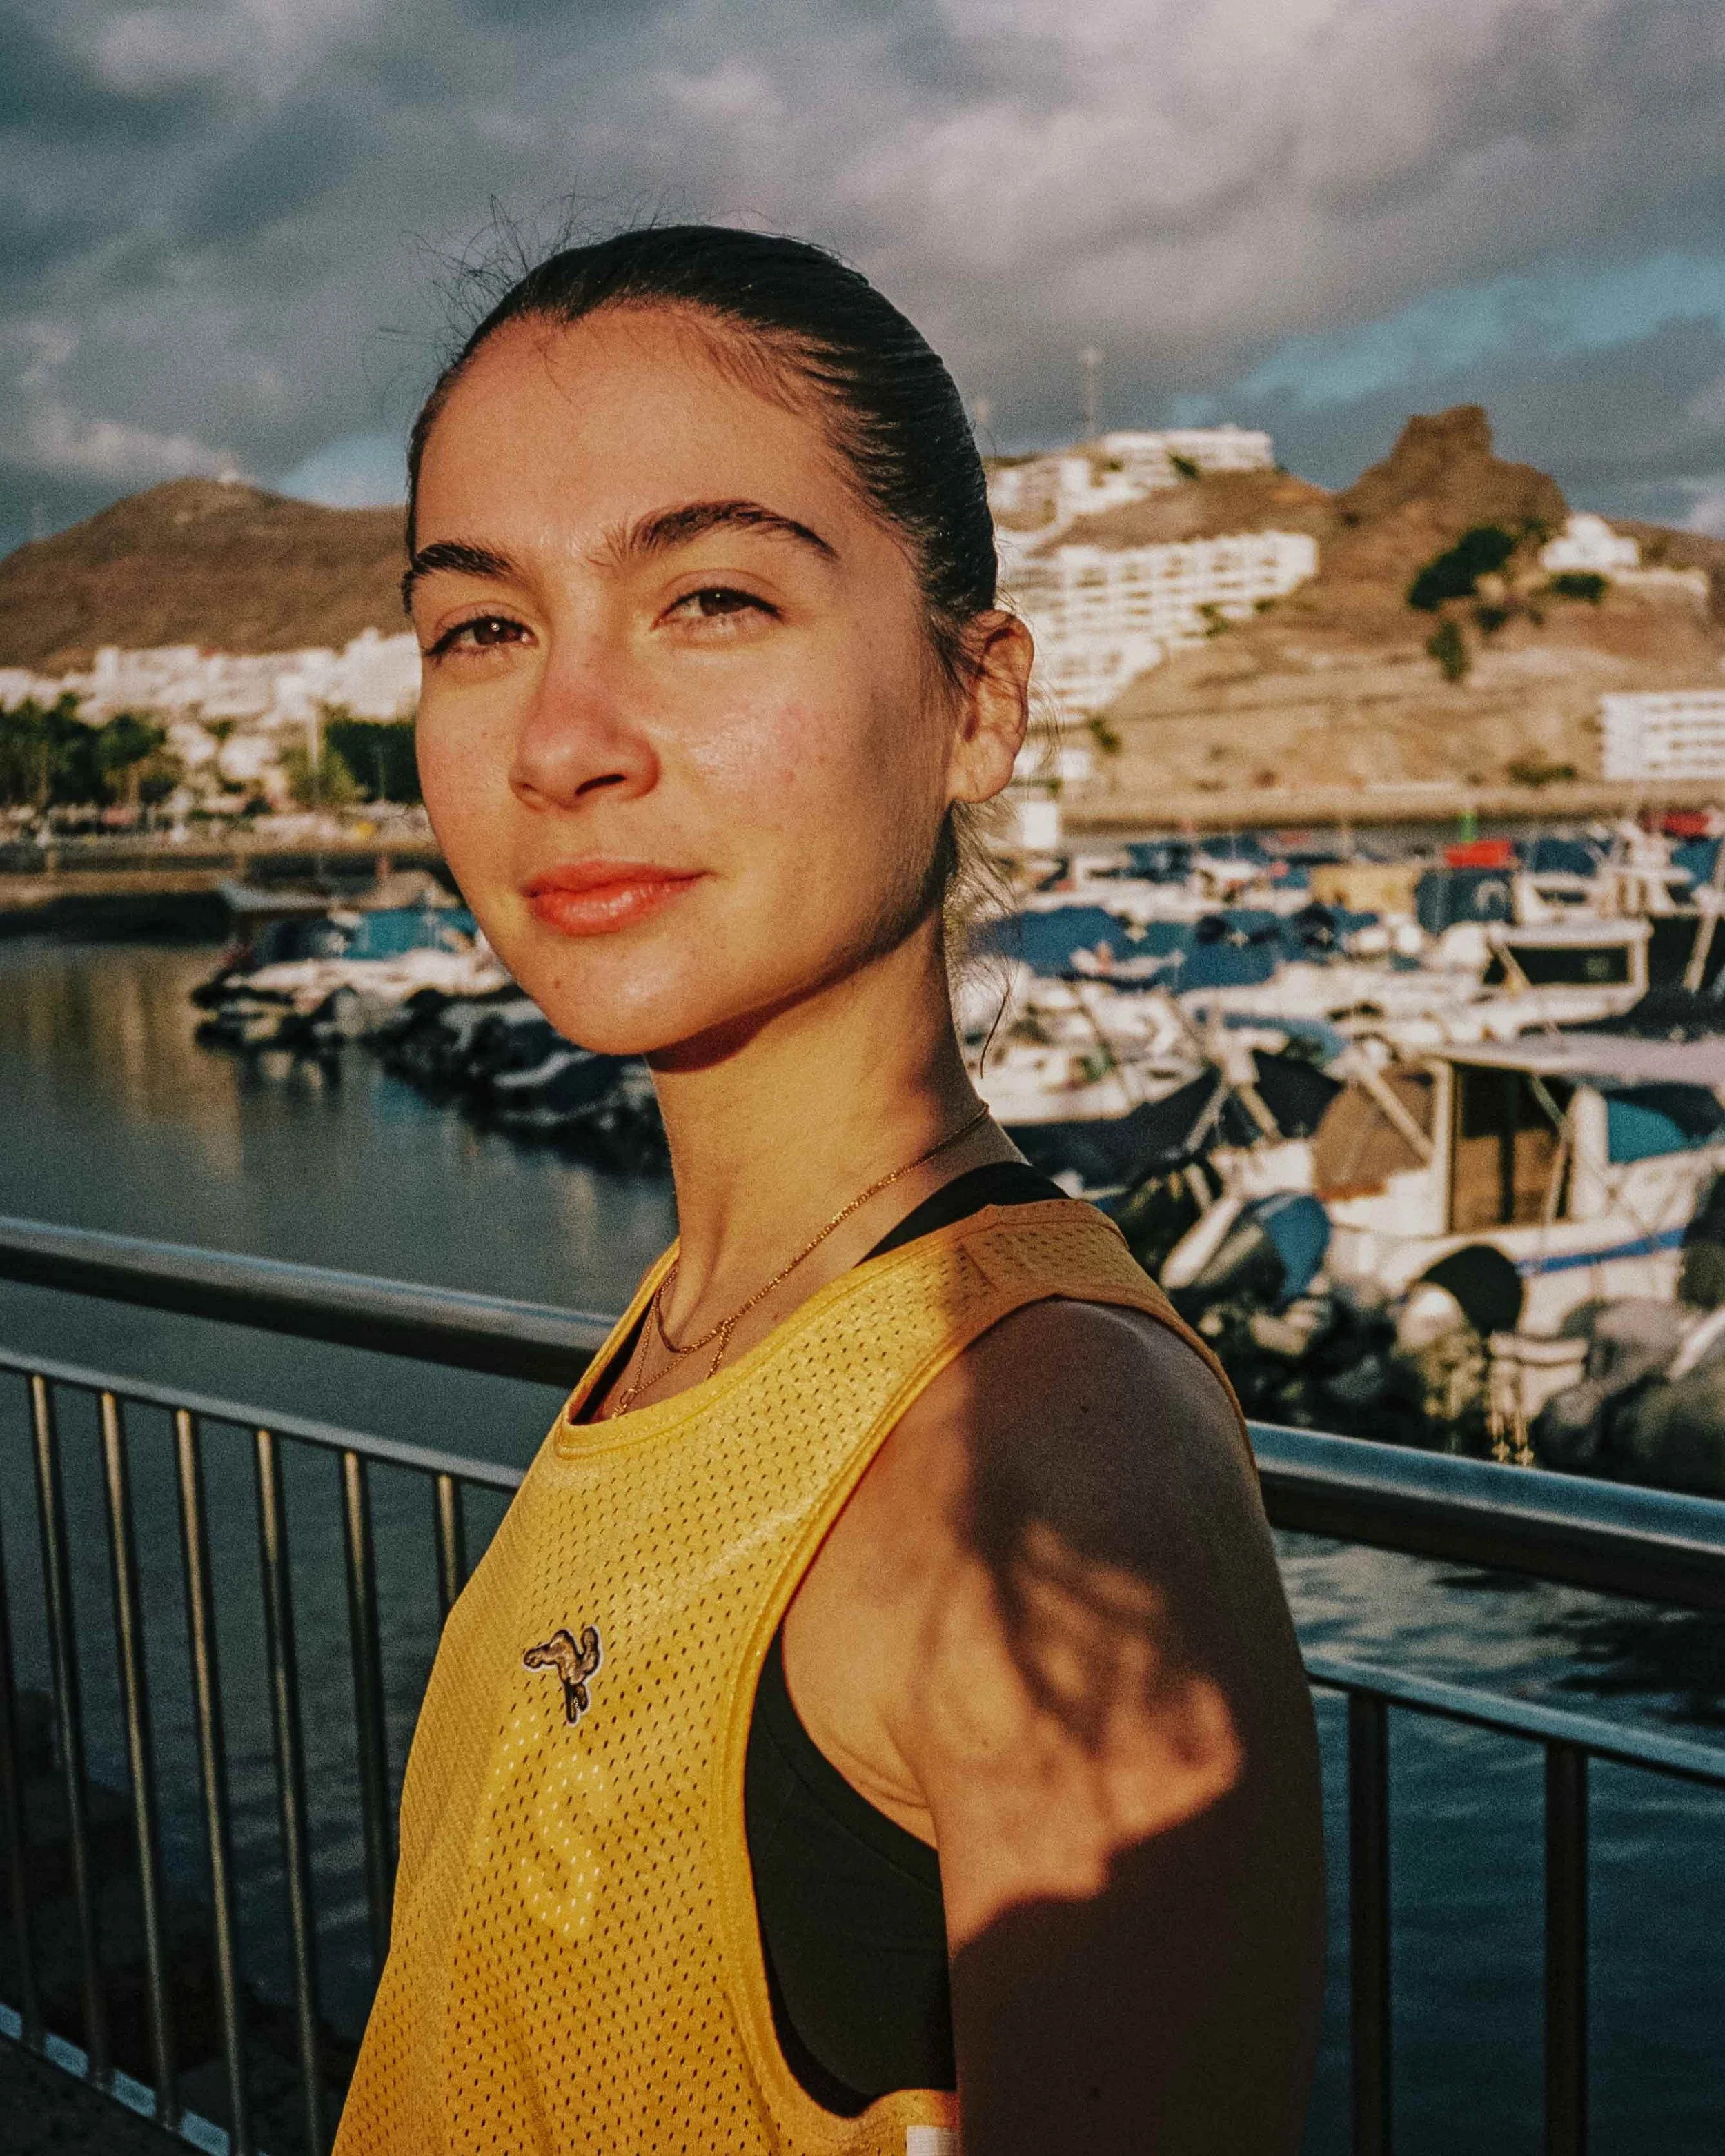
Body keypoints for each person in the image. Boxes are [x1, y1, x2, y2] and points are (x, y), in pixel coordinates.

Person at [333, 224, 1324, 2156]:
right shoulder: (701, 1329)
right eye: (481, 627)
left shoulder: (1042, 1459)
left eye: (708, 598)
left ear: (976, 702)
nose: (561, 743)